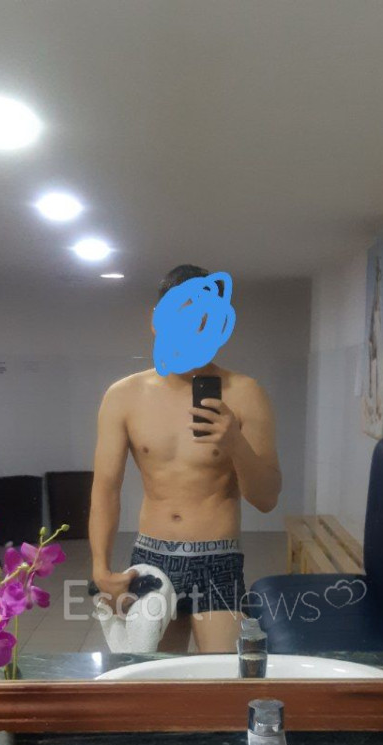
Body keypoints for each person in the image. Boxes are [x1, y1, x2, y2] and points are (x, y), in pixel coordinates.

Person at [89, 264, 282, 653]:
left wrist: (235, 442)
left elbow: (266, 499)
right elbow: (106, 488)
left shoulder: (245, 393)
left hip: (218, 559)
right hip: (152, 557)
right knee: (154, 679)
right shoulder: (123, 396)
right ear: (157, 320)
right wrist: (99, 566)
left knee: (221, 678)